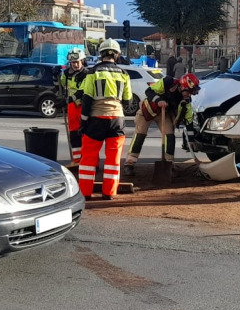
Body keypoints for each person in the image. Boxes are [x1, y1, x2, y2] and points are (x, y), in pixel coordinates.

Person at [78, 39, 133, 198]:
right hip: (117, 120)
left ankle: (85, 193)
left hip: (96, 119)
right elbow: (128, 102)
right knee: (113, 160)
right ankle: (109, 193)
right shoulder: (124, 74)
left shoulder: (93, 72)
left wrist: (83, 121)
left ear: (101, 54)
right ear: (116, 55)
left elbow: (87, 99)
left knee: (88, 159)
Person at [124, 73, 200, 176]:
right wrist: (158, 100)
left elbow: (189, 119)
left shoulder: (186, 101)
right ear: (182, 86)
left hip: (164, 114)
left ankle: (168, 165)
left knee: (170, 136)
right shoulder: (168, 82)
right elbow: (149, 91)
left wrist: (191, 139)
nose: (189, 95)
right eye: (189, 92)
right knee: (140, 135)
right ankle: (129, 164)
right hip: (147, 112)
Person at [58, 49, 88, 163]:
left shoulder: (87, 74)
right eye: (72, 62)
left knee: (86, 134)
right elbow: (60, 85)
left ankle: (88, 160)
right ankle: (77, 160)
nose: (75, 64)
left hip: (84, 105)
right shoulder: (66, 74)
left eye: (77, 62)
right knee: (74, 134)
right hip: (72, 107)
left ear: (82, 61)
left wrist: (68, 100)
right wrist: (55, 75)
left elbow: (83, 91)